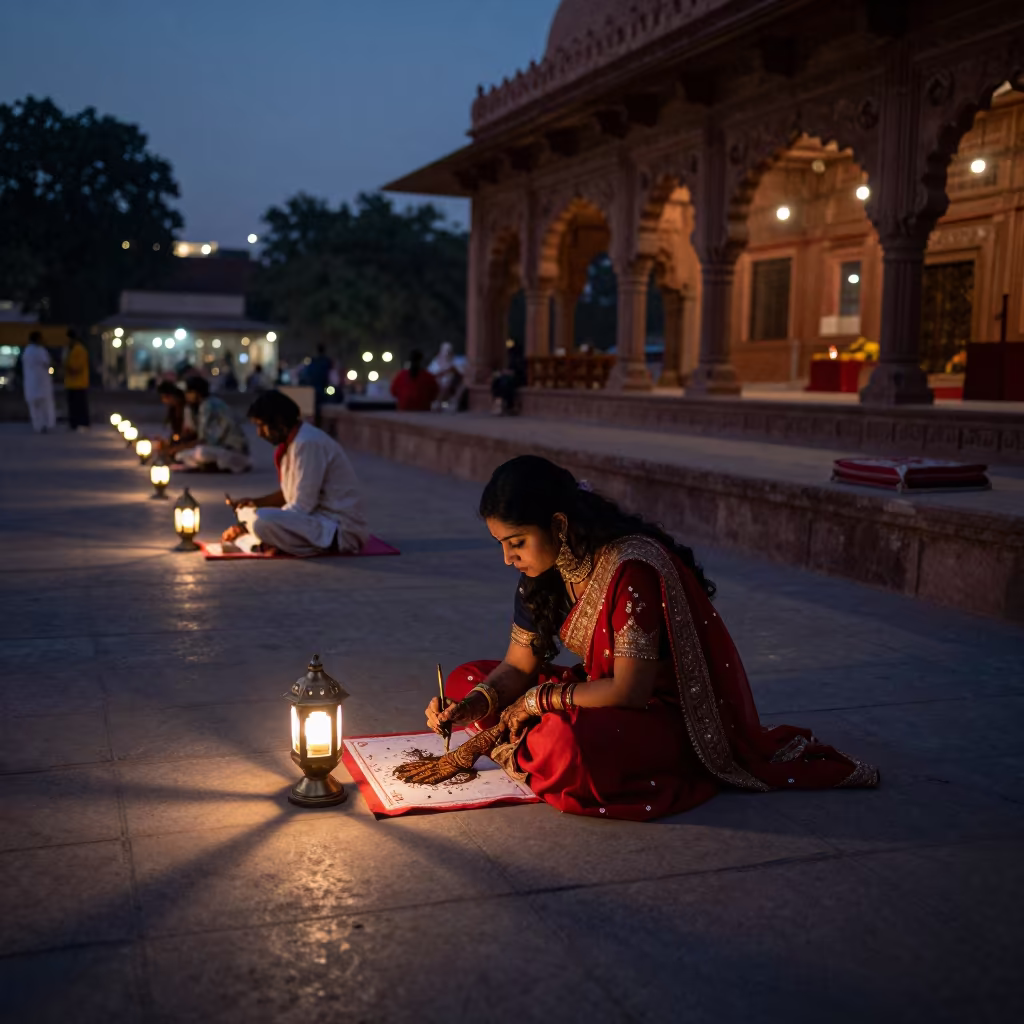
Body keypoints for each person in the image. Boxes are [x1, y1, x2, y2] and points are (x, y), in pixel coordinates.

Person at [397, 456, 878, 820]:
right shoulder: (543, 572)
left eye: (516, 543)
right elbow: (517, 666)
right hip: (588, 692)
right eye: (501, 545)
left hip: (656, 714)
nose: (508, 559)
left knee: (569, 747)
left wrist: (537, 702)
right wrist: (473, 708)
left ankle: (519, 743)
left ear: (559, 525)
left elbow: (629, 690)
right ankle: (516, 739)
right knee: (466, 680)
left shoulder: (630, 569)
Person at [221, 389, 369, 556]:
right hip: (315, 521)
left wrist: (247, 524)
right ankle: (261, 538)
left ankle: (260, 539)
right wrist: (254, 503)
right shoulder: (293, 443)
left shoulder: (307, 443)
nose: (259, 433)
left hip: (338, 529)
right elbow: (290, 494)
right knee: (249, 513)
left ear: (279, 422)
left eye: (261, 425)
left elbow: (302, 506)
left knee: (261, 522)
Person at [161, 376, 251, 472]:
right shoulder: (201, 406)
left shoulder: (209, 406)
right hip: (218, 450)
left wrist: (178, 448)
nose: (186, 396)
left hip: (233, 451)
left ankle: (213, 465)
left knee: (201, 452)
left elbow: (207, 440)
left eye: (188, 392)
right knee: (181, 455)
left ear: (196, 393)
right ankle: (207, 465)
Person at [21, 331, 56, 433]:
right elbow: (47, 363)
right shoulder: (40, 351)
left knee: (34, 406)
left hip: (30, 383)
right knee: (45, 405)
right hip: (42, 382)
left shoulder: (26, 351)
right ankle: (47, 424)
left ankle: (38, 426)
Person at [64, 329, 91, 430]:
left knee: (80, 405)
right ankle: (74, 424)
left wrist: (68, 367)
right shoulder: (70, 349)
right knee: (72, 405)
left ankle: (82, 423)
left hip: (79, 383)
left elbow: (77, 367)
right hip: (71, 383)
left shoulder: (79, 349)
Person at [428, 341, 463, 409]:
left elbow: (461, 373)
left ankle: (453, 402)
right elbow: (431, 375)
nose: (447, 354)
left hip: (452, 386)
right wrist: (443, 373)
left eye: (449, 351)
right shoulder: (435, 362)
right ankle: (438, 403)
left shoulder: (456, 361)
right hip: (438, 386)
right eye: (445, 351)